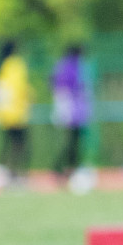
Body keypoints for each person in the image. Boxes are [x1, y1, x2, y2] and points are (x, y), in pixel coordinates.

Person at [0, 40, 33, 185]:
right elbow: (21, 88)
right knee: (20, 145)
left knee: (8, 143)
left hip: (5, 113)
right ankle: (15, 174)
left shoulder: (0, 66)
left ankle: (3, 172)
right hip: (17, 112)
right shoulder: (16, 65)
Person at [51, 44, 91, 181]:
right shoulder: (73, 66)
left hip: (65, 107)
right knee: (73, 141)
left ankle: (67, 168)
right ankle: (65, 168)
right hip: (72, 109)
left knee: (72, 140)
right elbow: (77, 88)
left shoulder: (61, 65)